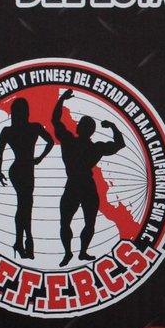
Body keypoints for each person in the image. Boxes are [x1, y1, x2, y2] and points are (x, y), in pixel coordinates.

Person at [51, 89, 126, 266]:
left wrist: (62, 99)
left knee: (70, 222)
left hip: (75, 185)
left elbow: (55, 120)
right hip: (85, 186)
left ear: (79, 128)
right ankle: (77, 252)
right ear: (92, 131)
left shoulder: (70, 141)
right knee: (83, 222)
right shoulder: (95, 148)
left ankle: (73, 253)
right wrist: (112, 126)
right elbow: (119, 144)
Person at [0, 98, 55, 258]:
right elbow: (50, 142)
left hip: (21, 170)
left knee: (24, 205)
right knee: (25, 205)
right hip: (23, 170)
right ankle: (25, 241)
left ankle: (21, 243)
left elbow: (0, 152)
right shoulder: (32, 128)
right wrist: (39, 158)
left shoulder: (11, 130)